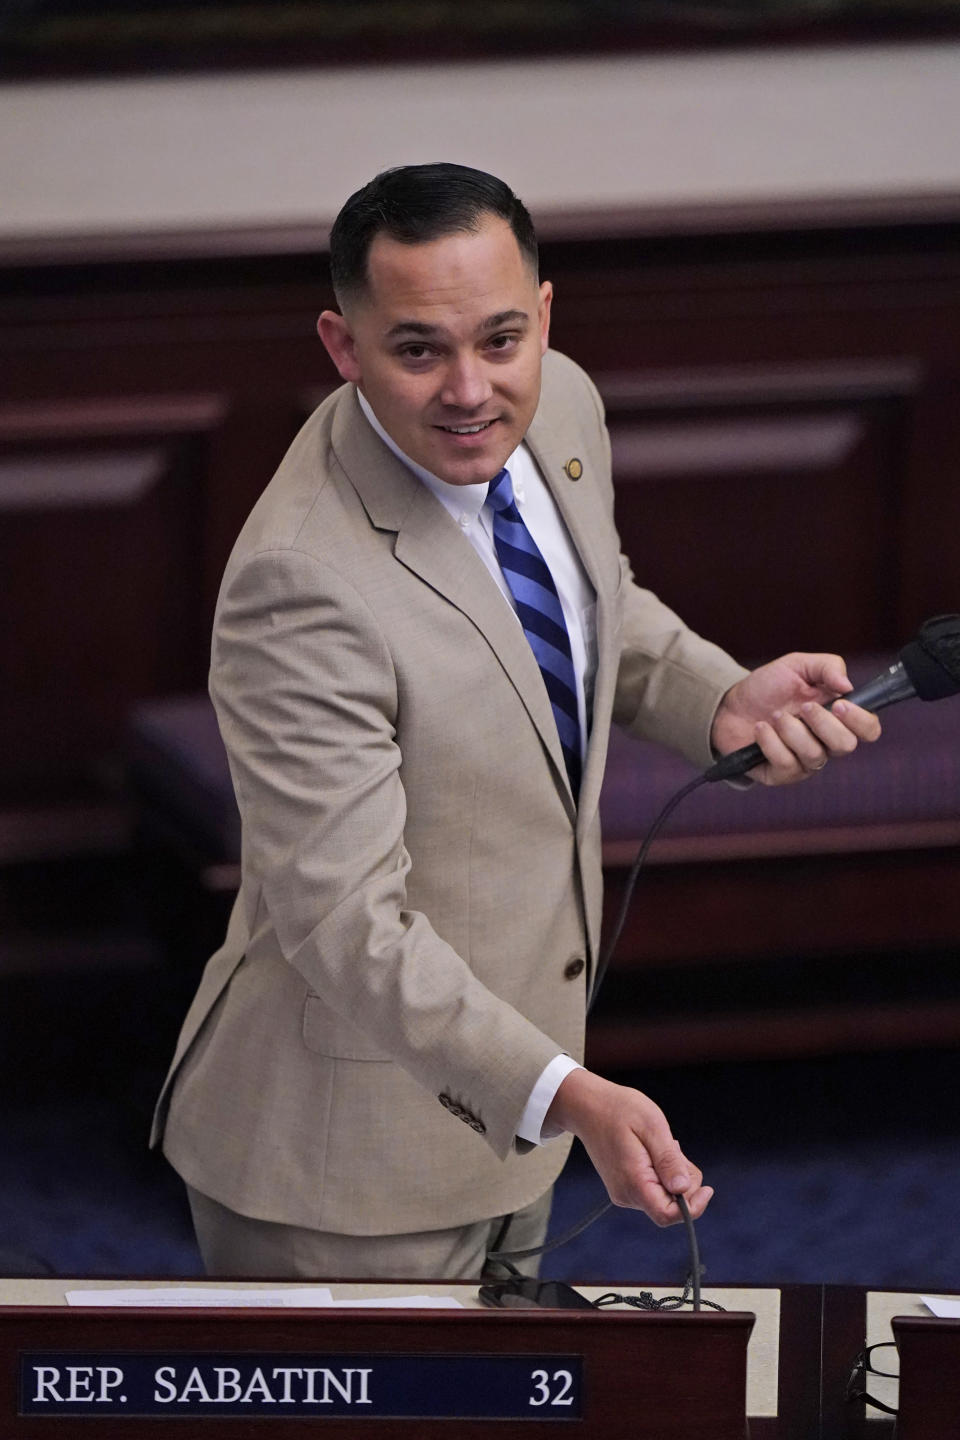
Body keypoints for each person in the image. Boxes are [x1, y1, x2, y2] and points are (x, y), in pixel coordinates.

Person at [151, 163, 880, 1280]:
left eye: (500, 339)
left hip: (521, 1123)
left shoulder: (564, 401)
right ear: (344, 350)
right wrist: (568, 1093)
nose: (470, 390)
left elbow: (593, 598)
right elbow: (347, 922)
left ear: (542, 315)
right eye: (417, 351)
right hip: (343, 1168)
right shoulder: (300, 583)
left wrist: (716, 697)